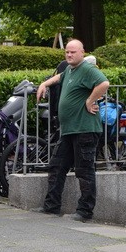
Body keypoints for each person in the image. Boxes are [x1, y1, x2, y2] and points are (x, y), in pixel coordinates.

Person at [34, 39, 110, 221]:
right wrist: (45, 84)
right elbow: (59, 77)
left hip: (84, 128)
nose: (69, 55)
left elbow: (104, 84)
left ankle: (84, 212)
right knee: (56, 167)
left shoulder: (87, 69)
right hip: (69, 130)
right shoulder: (70, 70)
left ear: (82, 52)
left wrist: (89, 101)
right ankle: (51, 207)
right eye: (67, 52)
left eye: (73, 52)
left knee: (84, 171)